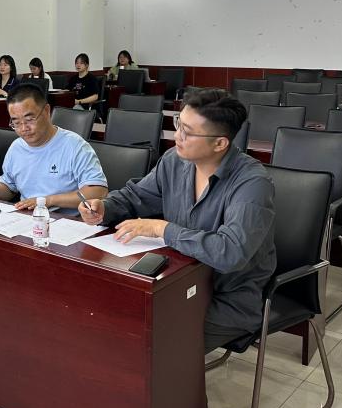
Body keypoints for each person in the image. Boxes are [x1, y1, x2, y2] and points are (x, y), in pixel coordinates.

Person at [79, 89, 275, 353]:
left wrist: (163, 229)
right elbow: (136, 196)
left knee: (147, 342)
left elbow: (230, 252)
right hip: (176, 282)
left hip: (228, 298)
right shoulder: (174, 161)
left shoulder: (252, 183)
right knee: (109, 316)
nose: (177, 136)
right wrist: (104, 207)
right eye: (178, 124)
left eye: (188, 132)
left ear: (220, 143)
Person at [0, 83, 108, 209]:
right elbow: (9, 188)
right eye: (16, 123)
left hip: (66, 220)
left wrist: (48, 201)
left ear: (46, 111)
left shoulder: (76, 146)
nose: (23, 128)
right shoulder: (16, 147)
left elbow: (98, 192)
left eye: (29, 119)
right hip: (26, 218)